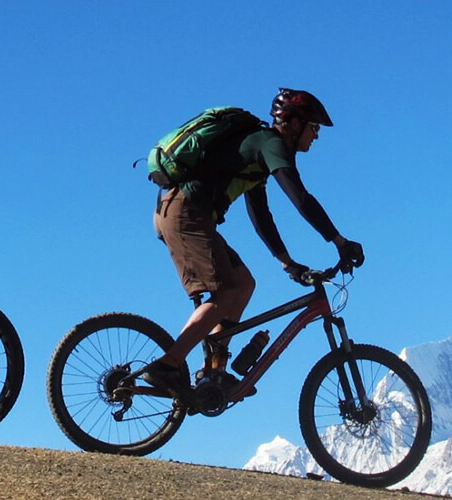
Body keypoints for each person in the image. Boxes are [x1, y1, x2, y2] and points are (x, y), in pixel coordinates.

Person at [144, 88, 366, 397]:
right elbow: (300, 198)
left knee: (244, 283)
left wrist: (286, 262)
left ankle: (213, 374)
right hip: (185, 212)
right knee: (226, 291)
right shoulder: (272, 144)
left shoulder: (258, 151)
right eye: (313, 127)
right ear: (293, 123)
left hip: (188, 213)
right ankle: (168, 365)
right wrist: (340, 242)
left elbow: (260, 214)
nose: (315, 136)